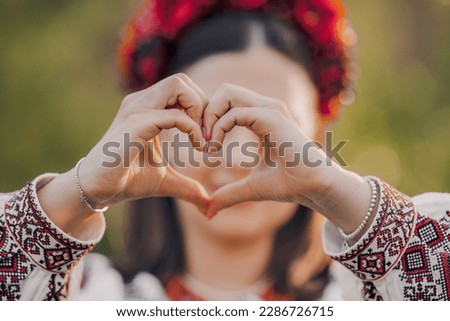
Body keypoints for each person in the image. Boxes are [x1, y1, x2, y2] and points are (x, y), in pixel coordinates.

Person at [0, 0, 449, 301]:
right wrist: (78, 191)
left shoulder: (367, 297)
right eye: (208, 117)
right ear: (152, 126)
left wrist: (338, 192)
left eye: (274, 125)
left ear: (314, 138)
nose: (236, 156)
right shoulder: (85, 294)